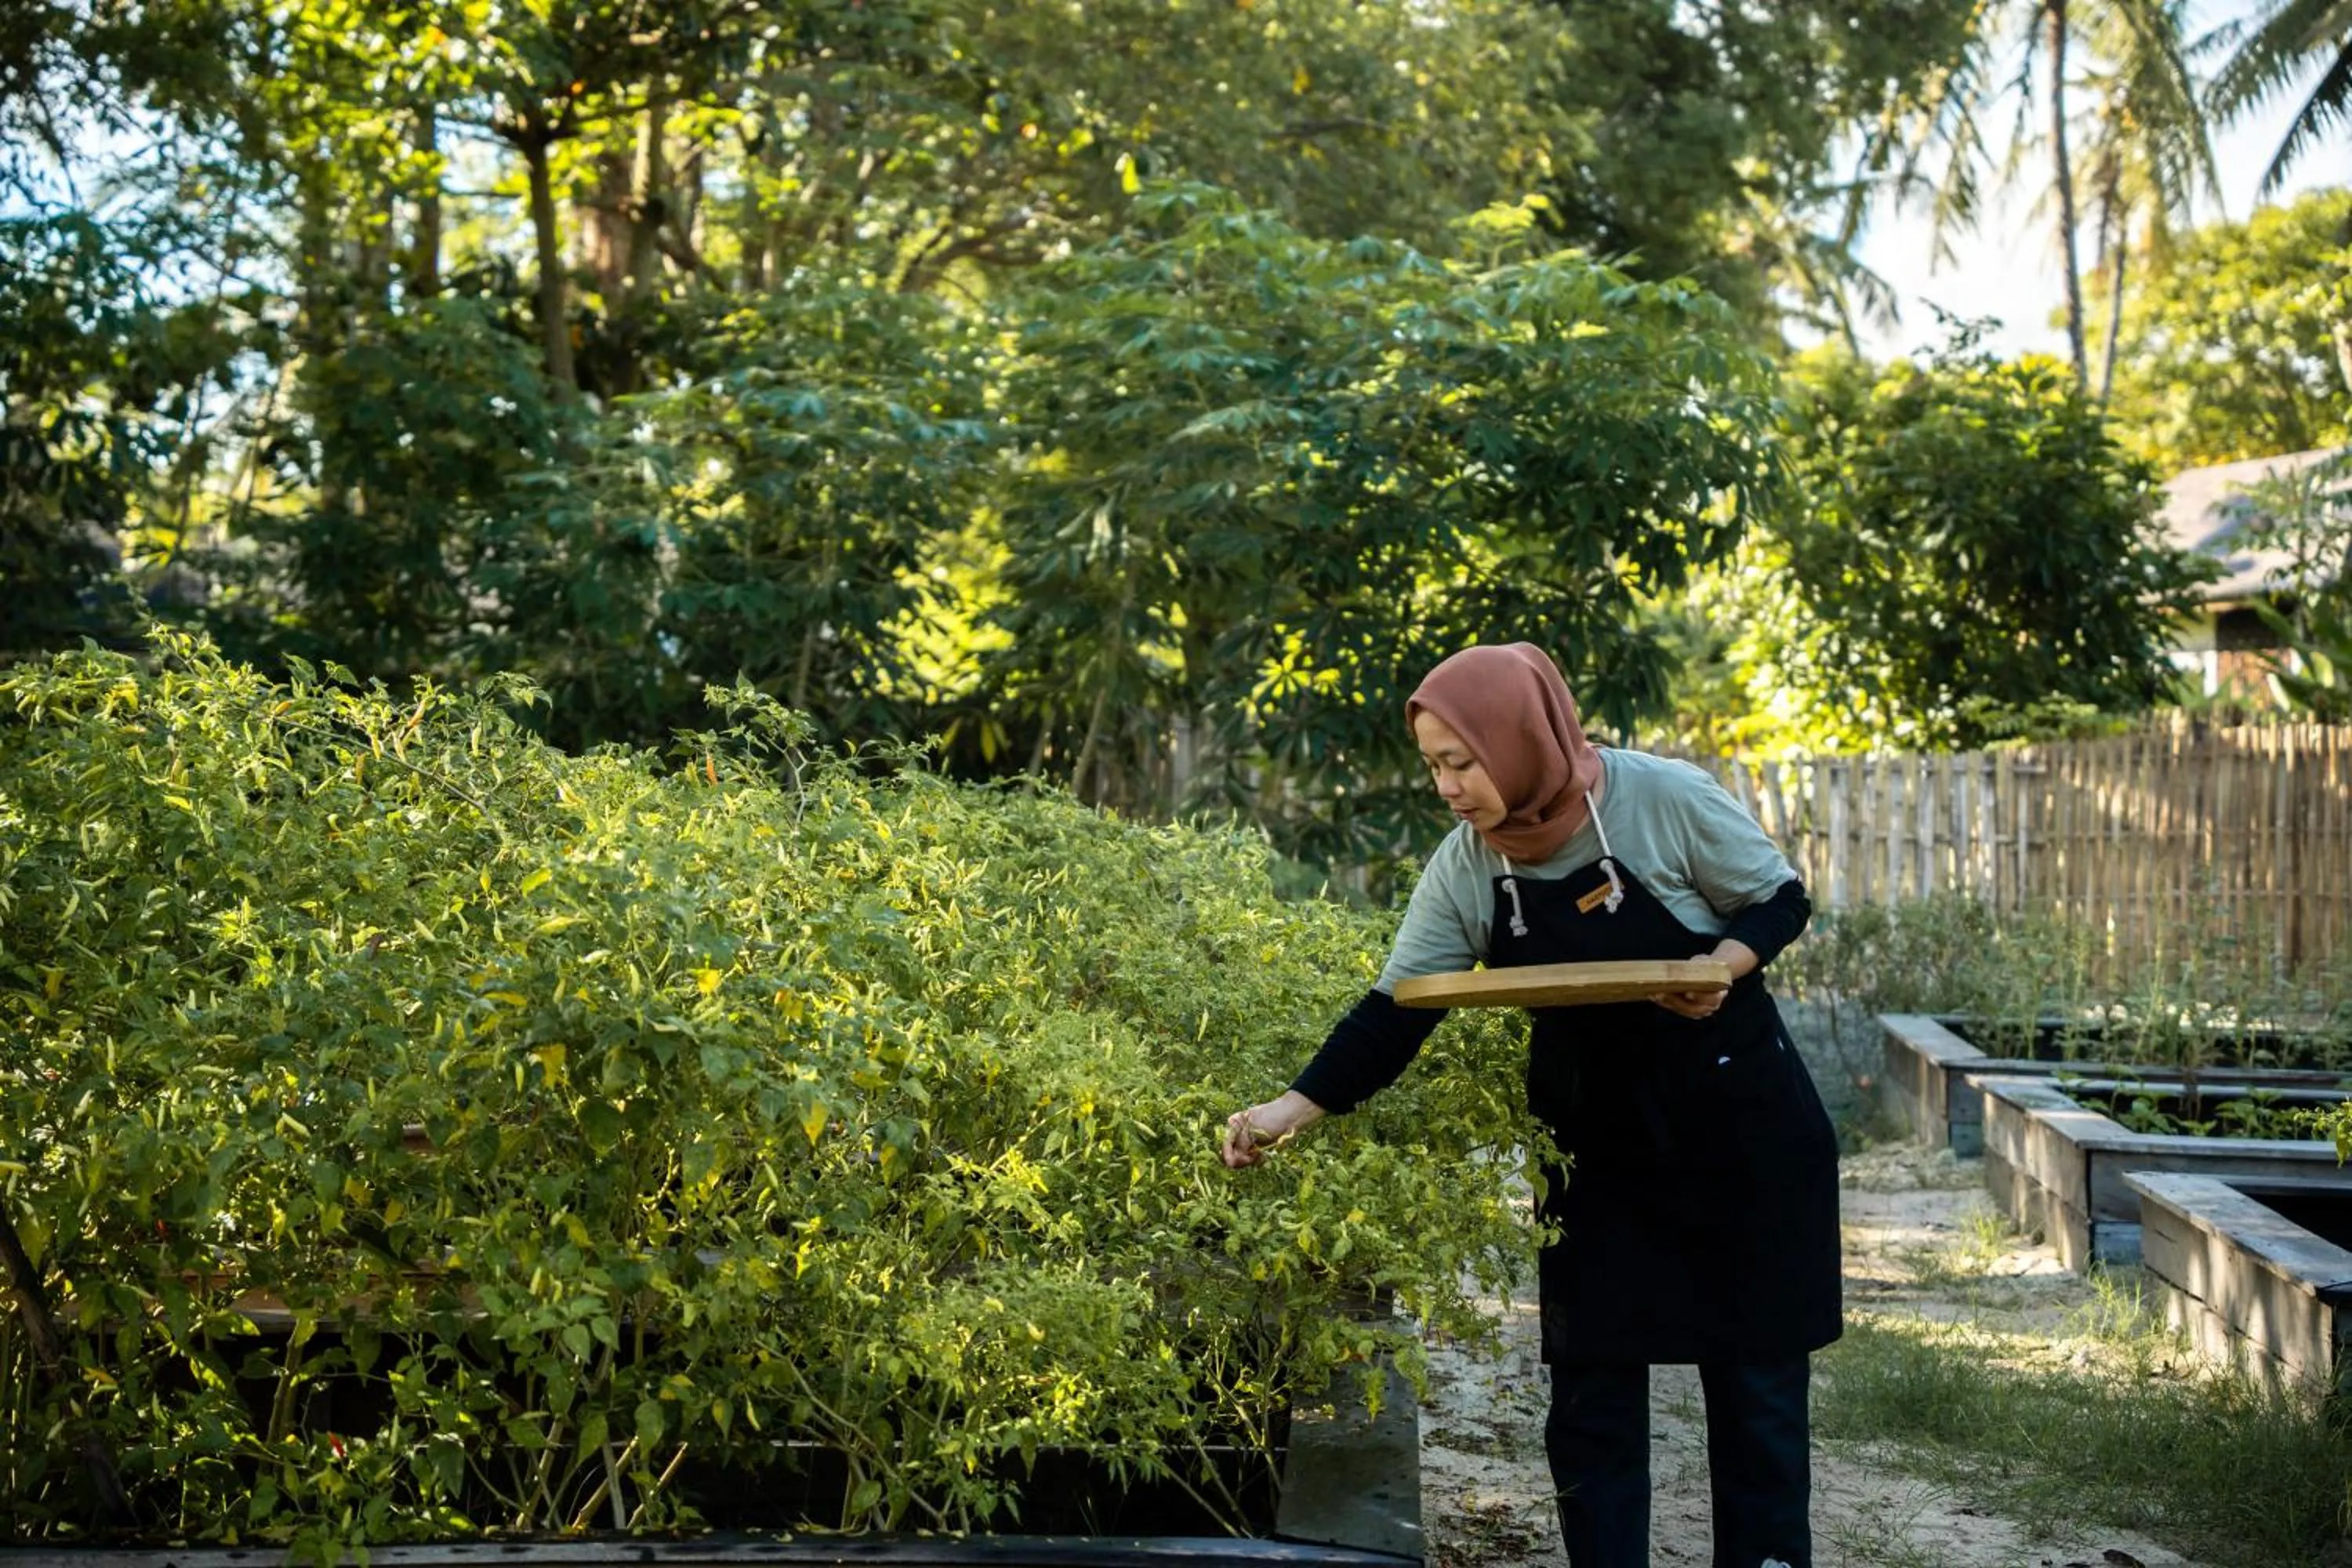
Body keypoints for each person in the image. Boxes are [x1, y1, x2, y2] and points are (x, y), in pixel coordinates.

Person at [1221, 642, 1839, 1568]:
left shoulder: (1662, 798)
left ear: (1519, 741)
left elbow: (1779, 899)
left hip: (1741, 1128)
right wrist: (1288, 1108)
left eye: (1461, 762)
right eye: (1433, 765)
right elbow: (1396, 1011)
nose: (1447, 787)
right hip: (1593, 1147)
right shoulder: (1469, 865)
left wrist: (1720, 964)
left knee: (1757, 1394)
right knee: (1591, 1400)